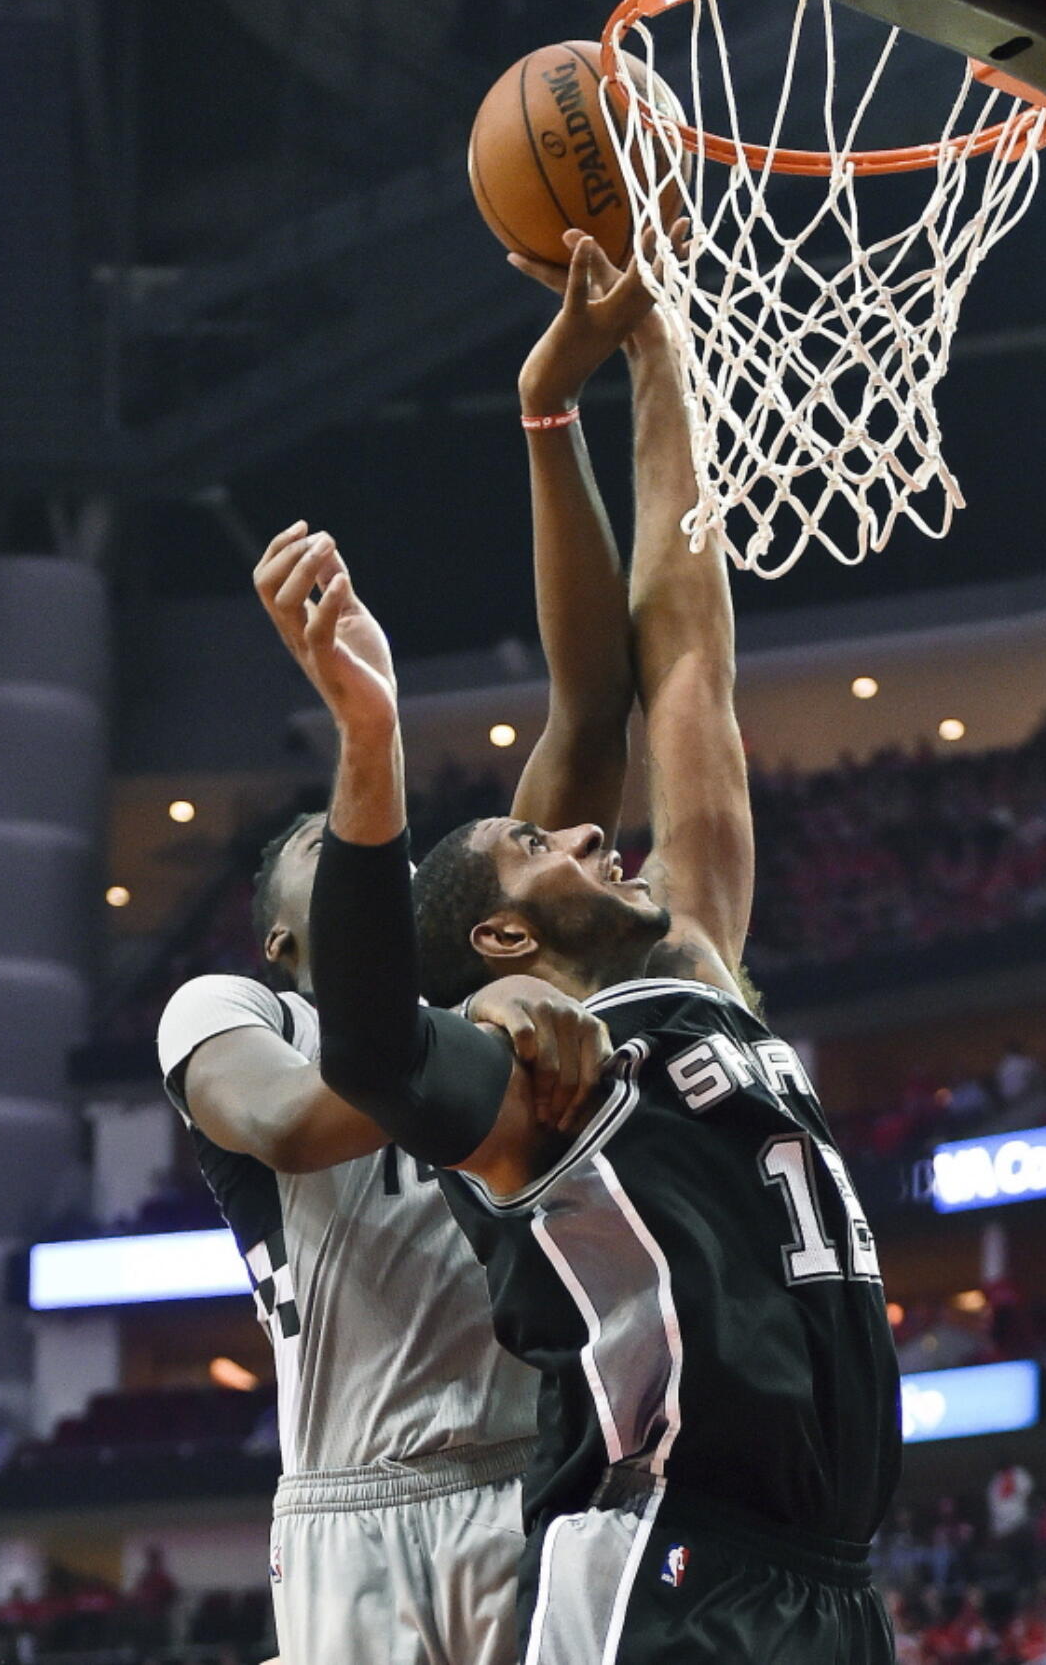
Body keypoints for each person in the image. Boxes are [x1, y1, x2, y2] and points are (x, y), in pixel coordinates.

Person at [260, 230, 902, 1663]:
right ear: (497, 935)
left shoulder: (700, 969)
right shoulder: (526, 1084)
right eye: (542, 844)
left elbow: (683, 652)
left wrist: (651, 358)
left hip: (829, 1574)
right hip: (656, 1565)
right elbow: (366, 1044)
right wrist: (370, 747)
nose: (593, 834)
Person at [156, 234, 661, 1665]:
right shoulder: (234, 1010)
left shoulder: (464, 961)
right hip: (349, 1509)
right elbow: (297, 1119)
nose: (358, 840)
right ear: (276, 932)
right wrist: (481, 1001)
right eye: (327, 843)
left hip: (528, 1474)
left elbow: (592, 711)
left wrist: (551, 409)